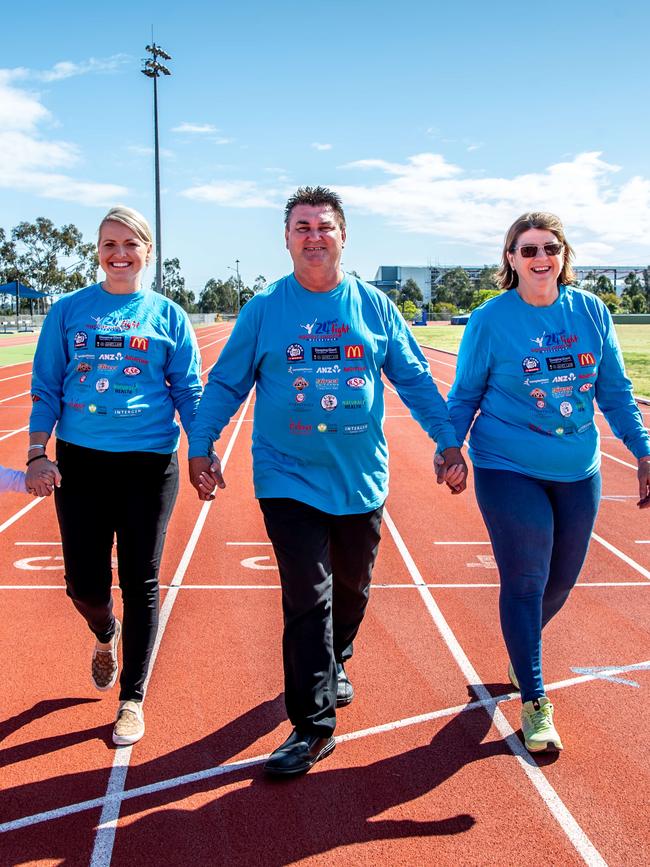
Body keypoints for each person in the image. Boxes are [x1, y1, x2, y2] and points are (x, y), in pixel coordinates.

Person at [189, 186, 467, 776]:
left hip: (360, 478)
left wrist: (446, 441)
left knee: (352, 589)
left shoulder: (374, 308)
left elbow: (415, 380)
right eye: (302, 227)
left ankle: (339, 656)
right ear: (286, 239)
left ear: (343, 236)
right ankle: (312, 727)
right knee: (306, 598)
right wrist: (203, 443)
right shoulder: (265, 309)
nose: (313, 236)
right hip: (285, 476)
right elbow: (227, 383)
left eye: (324, 226)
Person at [444, 212, 650, 753]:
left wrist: (644, 451)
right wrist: (451, 449)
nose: (540, 258)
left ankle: (521, 647)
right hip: (507, 464)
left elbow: (615, 391)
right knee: (527, 579)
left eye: (549, 248)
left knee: (561, 581)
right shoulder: (490, 320)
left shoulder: (591, 311)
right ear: (510, 259)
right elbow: (465, 393)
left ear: (564, 256)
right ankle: (535, 700)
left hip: (578, 467)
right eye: (528, 249)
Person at [27, 206, 202, 746]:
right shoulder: (69, 311)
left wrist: (204, 451)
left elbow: (189, 391)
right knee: (82, 583)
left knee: (141, 581)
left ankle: (132, 699)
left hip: (150, 465)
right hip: (81, 463)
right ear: (98, 252)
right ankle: (106, 630)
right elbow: (47, 385)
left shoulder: (168, 316)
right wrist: (37, 451)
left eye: (130, 244)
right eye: (109, 244)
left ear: (147, 252)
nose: (119, 253)